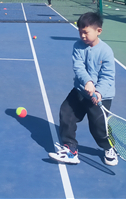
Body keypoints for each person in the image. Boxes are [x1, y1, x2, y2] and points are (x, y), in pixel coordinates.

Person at [48, 12, 117, 166]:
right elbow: (78, 67)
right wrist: (88, 81)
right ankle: (70, 150)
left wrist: (98, 92)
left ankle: (109, 147)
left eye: (86, 32)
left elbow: (108, 76)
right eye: (80, 32)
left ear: (98, 31)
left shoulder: (106, 51)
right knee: (66, 114)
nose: (82, 36)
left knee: (98, 128)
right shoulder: (77, 46)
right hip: (80, 91)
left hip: (101, 96)